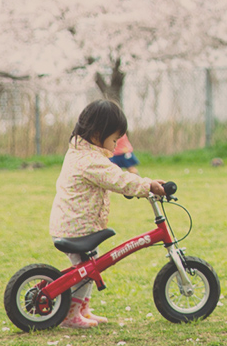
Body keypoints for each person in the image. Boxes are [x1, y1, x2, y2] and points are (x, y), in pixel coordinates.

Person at [49, 99, 172, 328]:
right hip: (76, 227)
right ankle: (71, 315)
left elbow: (115, 178)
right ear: (97, 134)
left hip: (79, 225)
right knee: (84, 272)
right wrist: (148, 186)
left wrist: (144, 184)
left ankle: (82, 309)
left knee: (89, 268)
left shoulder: (85, 155)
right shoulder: (89, 161)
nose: (117, 145)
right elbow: (118, 178)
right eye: (114, 139)